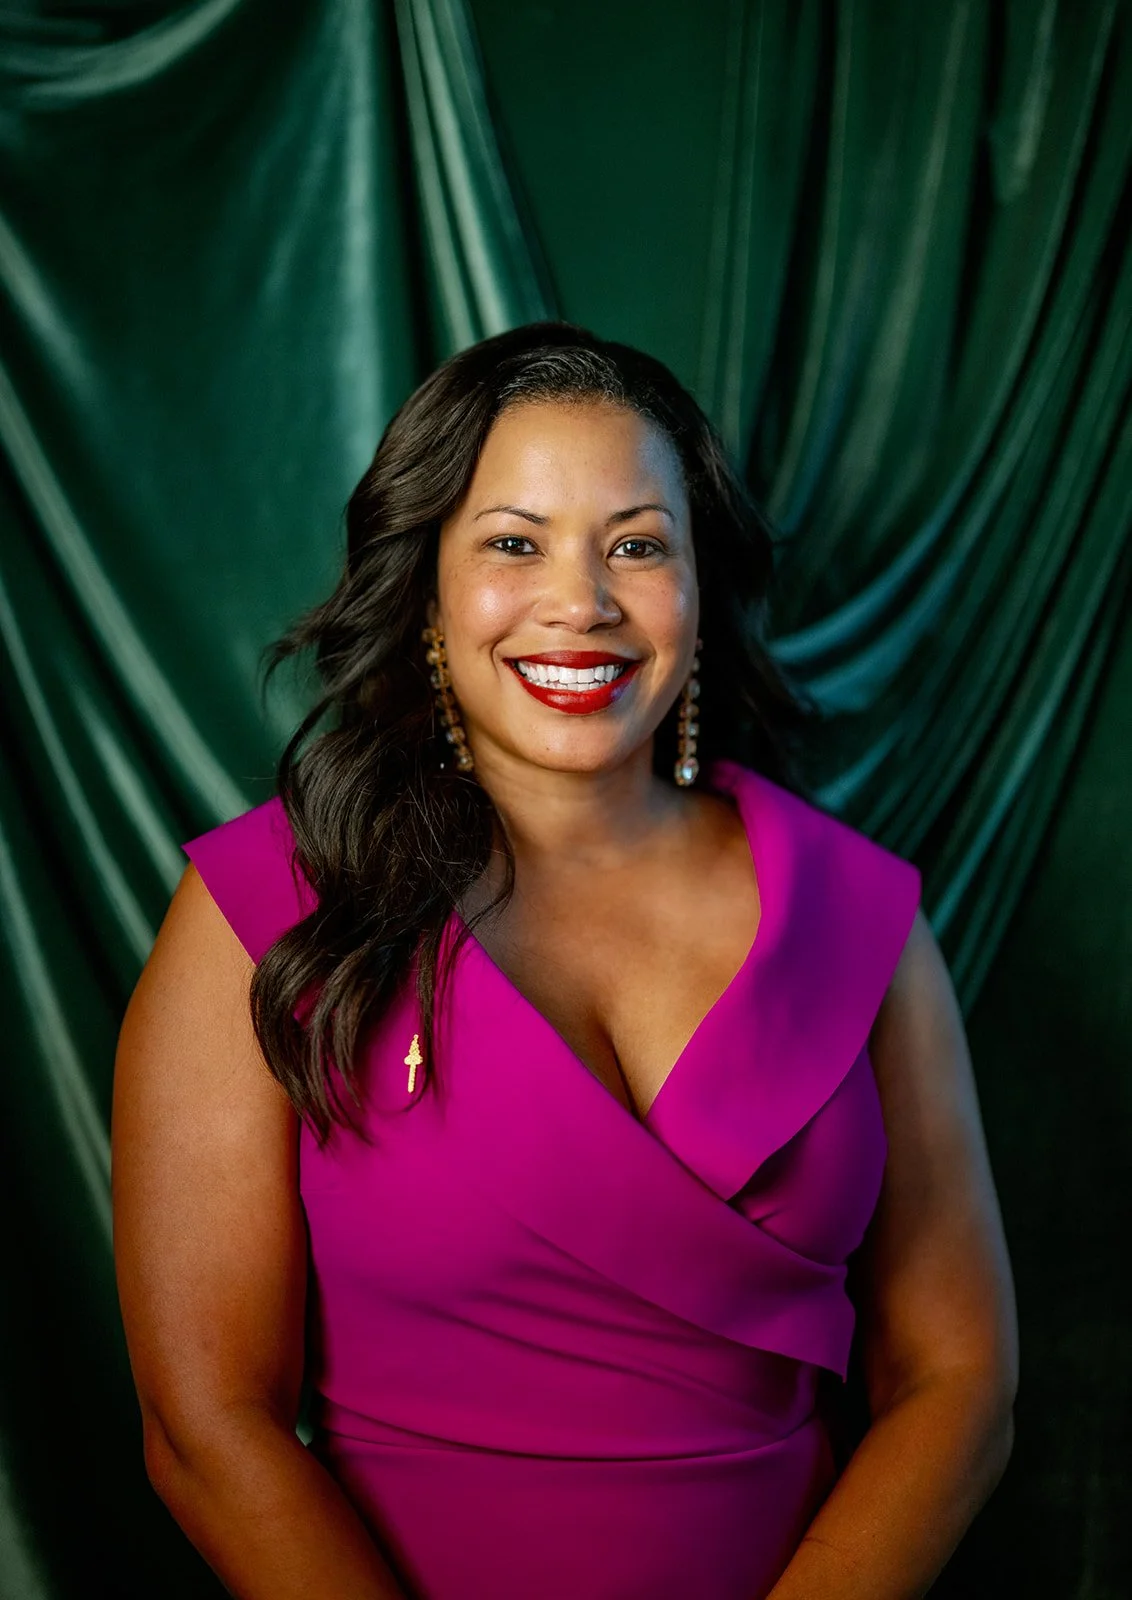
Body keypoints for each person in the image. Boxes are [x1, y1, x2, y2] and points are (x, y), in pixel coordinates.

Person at [111, 321, 1018, 1600]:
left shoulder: (861, 915)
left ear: (700, 590)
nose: (580, 601)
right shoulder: (263, 911)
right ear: (425, 583)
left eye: (637, 545)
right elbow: (208, 1428)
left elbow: (958, 1378)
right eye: (512, 543)